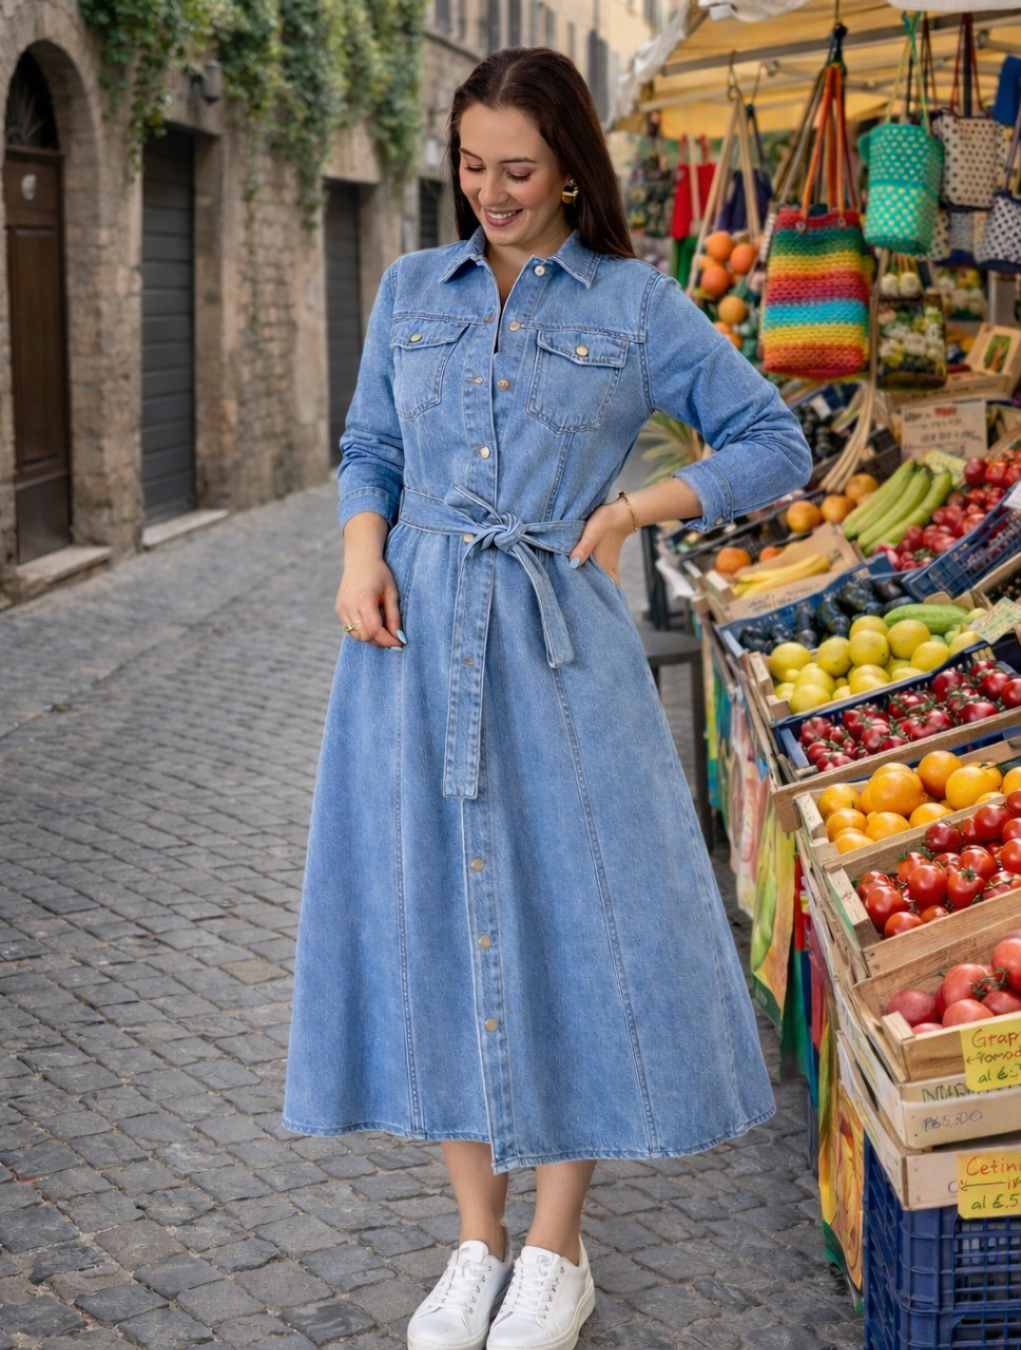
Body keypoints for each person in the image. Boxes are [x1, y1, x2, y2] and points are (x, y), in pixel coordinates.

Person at [283, 46, 812, 1350]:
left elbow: (773, 441)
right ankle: (474, 1237)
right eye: (471, 167)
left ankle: (554, 1248)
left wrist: (631, 508)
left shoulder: (637, 305)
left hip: (558, 650)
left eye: (517, 169)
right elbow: (371, 446)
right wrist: (360, 554)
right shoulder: (412, 288)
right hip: (409, 649)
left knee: (572, 923)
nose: (491, 192)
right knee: (434, 918)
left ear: (572, 166)